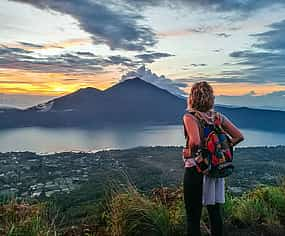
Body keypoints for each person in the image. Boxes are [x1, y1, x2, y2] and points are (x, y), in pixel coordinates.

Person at [183, 81, 244, 236]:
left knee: (193, 217)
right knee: (215, 213)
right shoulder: (218, 117)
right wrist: (220, 149)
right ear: (211, 98)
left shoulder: (190, 117)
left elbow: (195, 141)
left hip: (197, 169)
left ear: (192, 98)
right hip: (215, 169)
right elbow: (239, 136)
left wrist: (189, 152)